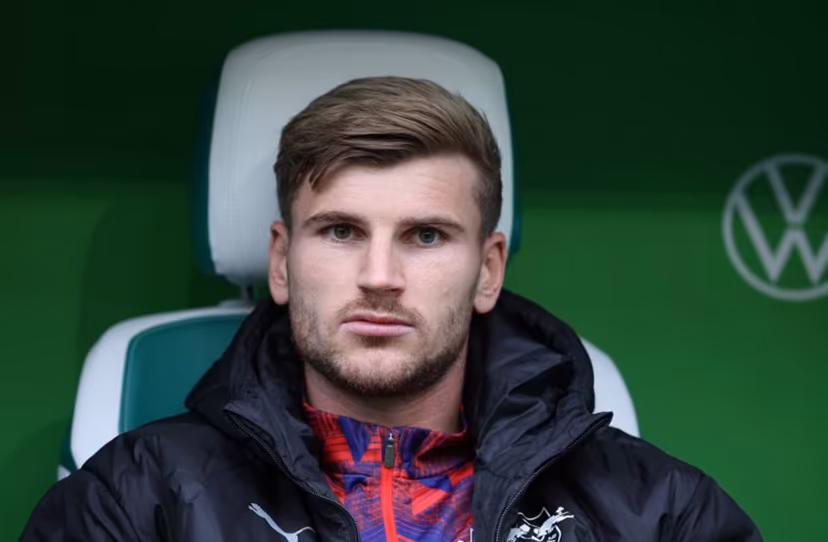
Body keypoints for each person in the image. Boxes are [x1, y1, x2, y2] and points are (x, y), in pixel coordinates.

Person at [21, 76, 762, 541]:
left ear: (488, 270)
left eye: (427, 235)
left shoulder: (661, 511)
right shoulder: (134, 500)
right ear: (282, 261)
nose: (380, 276)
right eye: (341, 231)